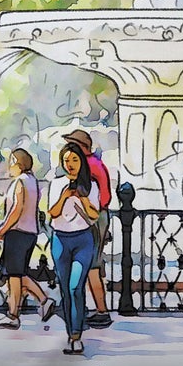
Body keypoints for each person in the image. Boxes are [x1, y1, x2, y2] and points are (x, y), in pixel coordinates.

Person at [46, 140, 102, 356]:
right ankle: (71, 332)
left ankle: (77, 336)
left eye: (75, 160)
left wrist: (83, 197)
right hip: (61, 239)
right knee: (65, 290)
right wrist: (65, 196)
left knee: (75, 286)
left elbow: (94, 215)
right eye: (67, 160)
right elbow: (53, 212)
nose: (70, 165)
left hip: (83, 240)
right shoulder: (57, 183)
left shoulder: (91, 185)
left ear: (81, 163)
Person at [0, 147, 49, 328]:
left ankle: (26, 308)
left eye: (11, 163)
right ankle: (24, 309)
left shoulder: (19, 182)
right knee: (17, 275)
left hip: (17, 232)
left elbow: (16, 210)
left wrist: (2, 230)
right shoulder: (32, 181)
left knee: (14, 275)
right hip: (30, 232)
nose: (9, 167)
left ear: (16, 163)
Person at [62, 127, 115, 328]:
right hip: (98, 216)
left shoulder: (89, 167)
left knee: (91, 263)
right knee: (91, 263)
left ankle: (100, 310)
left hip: (92, 218)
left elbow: (89, 198)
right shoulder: (96, 164)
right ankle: (90, 308)